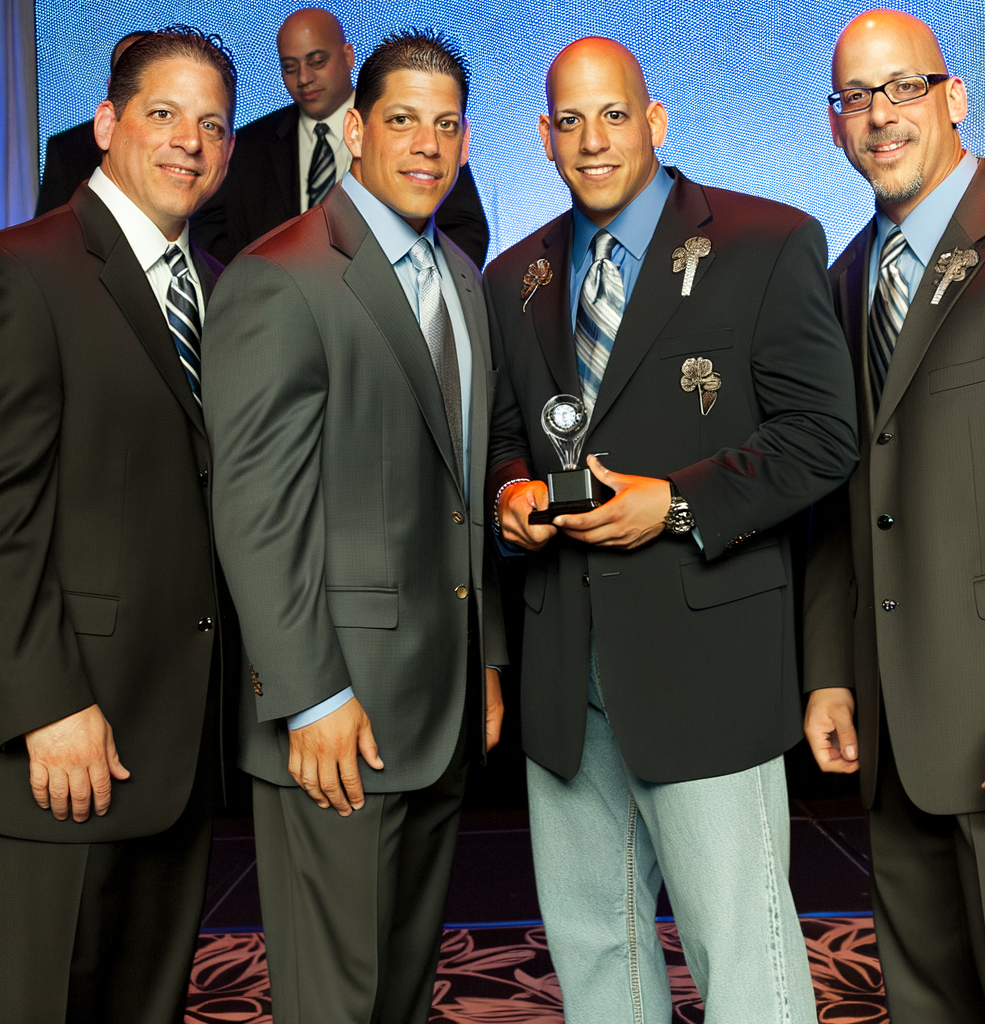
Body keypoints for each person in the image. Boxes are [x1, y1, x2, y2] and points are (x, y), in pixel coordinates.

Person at [486, 36, 859, 1023]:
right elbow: (506, 441)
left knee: (743, 955)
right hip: (568, 668)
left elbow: (825, 439)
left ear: (654, 122)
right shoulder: (512, 279)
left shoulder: (765, 243)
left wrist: (678, 501)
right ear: (544, 137)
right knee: (594, 954)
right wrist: (509, 499)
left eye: (613, 115)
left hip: (705, 660)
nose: (592, 139)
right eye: (570, 120)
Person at [202, 28, 505, 1024]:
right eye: (404, 120)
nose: (427, 143)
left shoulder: (461, 274)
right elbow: (255, 507)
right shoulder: (280, 273)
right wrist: (307, 693)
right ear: (358, 132)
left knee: (401, 994)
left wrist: (486, 658)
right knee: (336, 1002)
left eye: (446, 124)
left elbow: (460, 491)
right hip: (338, 713)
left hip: (442, 701)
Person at [0, 26, 237, 1024]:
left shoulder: (222, 288)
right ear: (106, 123)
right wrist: (45, 701)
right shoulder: (29, 269)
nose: (189, 140)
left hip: (180, 741)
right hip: (63, 741)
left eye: (213, 124)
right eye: (163, 113)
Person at [803, 10, 985, 1023]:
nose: (878, 116)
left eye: (900, 88)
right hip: (893, 736)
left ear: (955, 97)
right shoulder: (842, 285)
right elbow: (847, 504)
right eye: (855, 97)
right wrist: (830, 674)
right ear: (834, 124)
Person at [191, 8, 491, 268]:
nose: (304, 78)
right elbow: (209, 237)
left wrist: (420, 287)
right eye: (290, 67)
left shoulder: (425, 133)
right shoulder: (246, 146)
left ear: (349, 56)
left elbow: (466, 229)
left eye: (317, 61)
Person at [34, 30, 151, 216]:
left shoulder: (194, 144)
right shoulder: (68, 149)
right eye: (129, 73)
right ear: (111, 85)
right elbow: (48, 228)